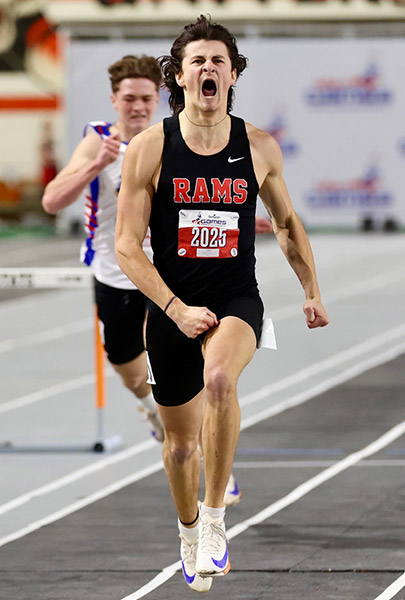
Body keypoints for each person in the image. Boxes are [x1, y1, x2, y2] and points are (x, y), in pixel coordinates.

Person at [115, 16, 329, 592]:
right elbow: (127, 247)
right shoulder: (150, 149)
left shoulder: (257, 146)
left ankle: (213, 520)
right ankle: (188, 530)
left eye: (218, 61)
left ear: (233, 75)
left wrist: (311, 289)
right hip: (171, 305)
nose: (208, 69)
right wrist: (175, 309)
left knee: (219, 380)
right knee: (181, 446)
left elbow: (286, 222)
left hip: (235, 297)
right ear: (179, 77)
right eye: (198, 62)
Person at [43, 54, 169, 446]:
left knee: (170, 361)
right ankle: (152, 410)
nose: (138, 107)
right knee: (129, 368)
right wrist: (97, 164)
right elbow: (52, 201)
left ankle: (192, 441)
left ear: (158, 99)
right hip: (114, 272)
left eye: (146, 99)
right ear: (114, 100)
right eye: (129, 98)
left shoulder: (171, 139)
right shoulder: (98, 139)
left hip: (164, 269)